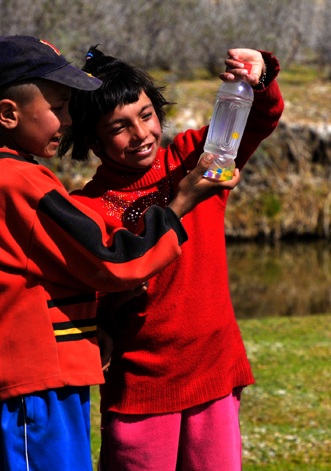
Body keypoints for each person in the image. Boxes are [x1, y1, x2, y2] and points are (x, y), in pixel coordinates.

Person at [0, 35, 241, 471]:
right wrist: (181, 202)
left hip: (45, 381)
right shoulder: (19, 184)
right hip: (32, 388)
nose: (67, 120)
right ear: (9, 114)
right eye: (59, 107)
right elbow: (112, 263)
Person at [59, 45, 284, 470]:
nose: (141, 133)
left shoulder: (193, 160)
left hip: (214, 371)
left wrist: (258, 80)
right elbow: (97, 302)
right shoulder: (87, 208)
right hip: (141, 390)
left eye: (146, 115)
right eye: (119, 127)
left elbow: (258, 119)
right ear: (93, 140)